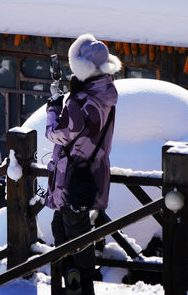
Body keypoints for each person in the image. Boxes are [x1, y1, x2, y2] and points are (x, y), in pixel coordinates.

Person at [44, 33, 120, 295]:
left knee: (73, 233)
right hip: (92, 172)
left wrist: (54, 106)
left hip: (72, 176)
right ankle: (76, 283)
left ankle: (80, 288)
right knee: (67, 227)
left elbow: (57, 133)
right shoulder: (105, 94)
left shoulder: (82, 101)